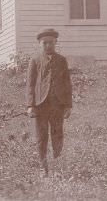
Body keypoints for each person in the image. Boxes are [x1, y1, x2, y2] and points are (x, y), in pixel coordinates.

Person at [26, 28, 72, 178]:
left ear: (55, 43)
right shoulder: (35, 60)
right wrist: (30, 105)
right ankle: (43, 167)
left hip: (57, 105)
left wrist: (68, 105)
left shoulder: (62, 60)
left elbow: (67, 84)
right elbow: (30, 84)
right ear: (40, 44)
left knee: (57, 134)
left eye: (50, 43)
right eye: (44, 43)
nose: (48, 46)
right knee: (41, 135)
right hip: (41, 105)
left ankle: (57, 165)